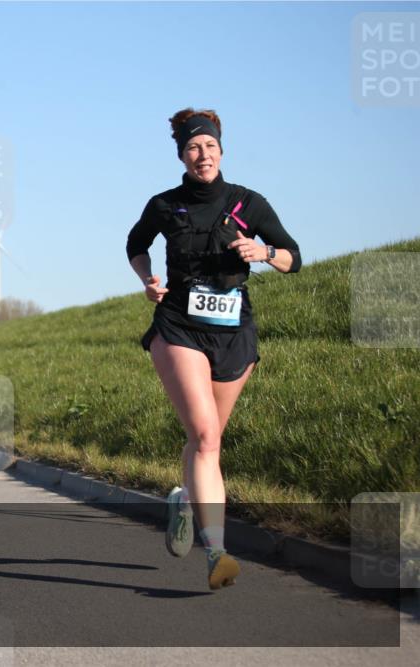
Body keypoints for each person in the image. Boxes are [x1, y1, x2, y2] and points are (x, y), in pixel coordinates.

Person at [126, 108, 301, 590]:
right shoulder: (165, 204)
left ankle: (184, 500)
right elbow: (135, 244)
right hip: (180, 325)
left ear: (221, 150)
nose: (201, 155)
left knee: (208, 442)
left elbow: (293, 257)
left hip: (233, 333)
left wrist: (262, 252)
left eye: (208, 146)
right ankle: (217, 553)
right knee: (204, 438)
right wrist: (147, 281)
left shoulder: (250, 203)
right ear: (182, 154)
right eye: (192, 147)